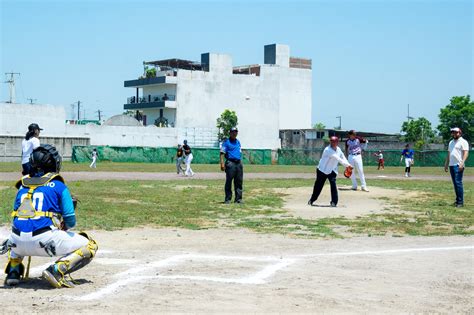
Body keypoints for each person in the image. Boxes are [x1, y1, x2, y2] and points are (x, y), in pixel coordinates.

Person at [1, 144, 98, 288]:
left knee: (18, 233)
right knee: (90, 245)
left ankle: (13, 272)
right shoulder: (58, 185)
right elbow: (71, 222)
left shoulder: (22, 185)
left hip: (16, 243)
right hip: (45, 242)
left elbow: (18, 217)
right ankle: (57, 270)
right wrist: (62, 223)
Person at [308, 136, 353, 207]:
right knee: (318, 186)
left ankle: (334, 202)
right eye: (332, 141)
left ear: (337, 142)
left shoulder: (338, 149)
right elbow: (337, 158)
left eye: (335, 141)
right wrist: (347, 166)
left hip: (332, 170)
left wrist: (349, 165)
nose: (333, 143)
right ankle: (312, 200)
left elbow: (342, 157)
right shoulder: (327, 150)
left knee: (333, 185)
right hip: (322, 170)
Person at [444, 127, 469, 208]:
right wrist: (446, 164)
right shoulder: (451, 142)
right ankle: (458, 200)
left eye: (456, 132)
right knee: (455, 184)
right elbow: (449, 154)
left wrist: (462, 162)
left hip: (458, 165)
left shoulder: (463, 141)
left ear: (459, 133)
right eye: (453, 132)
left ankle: (460, 202)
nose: (454, 134)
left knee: (458, 183)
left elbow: (466, 153)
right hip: (451, 165)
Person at [220, 127, 243, 204]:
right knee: (229, 181)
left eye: (236, 132)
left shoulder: (238, 142)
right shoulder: (226, 142)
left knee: (239, 182)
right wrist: (222, 164)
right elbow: (222, 153)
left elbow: (239, 152)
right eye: (233, 132)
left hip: (238, 163)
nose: (234, 133)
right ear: (230, 133)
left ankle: (238, 199)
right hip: (230, 163)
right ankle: (228, 199)